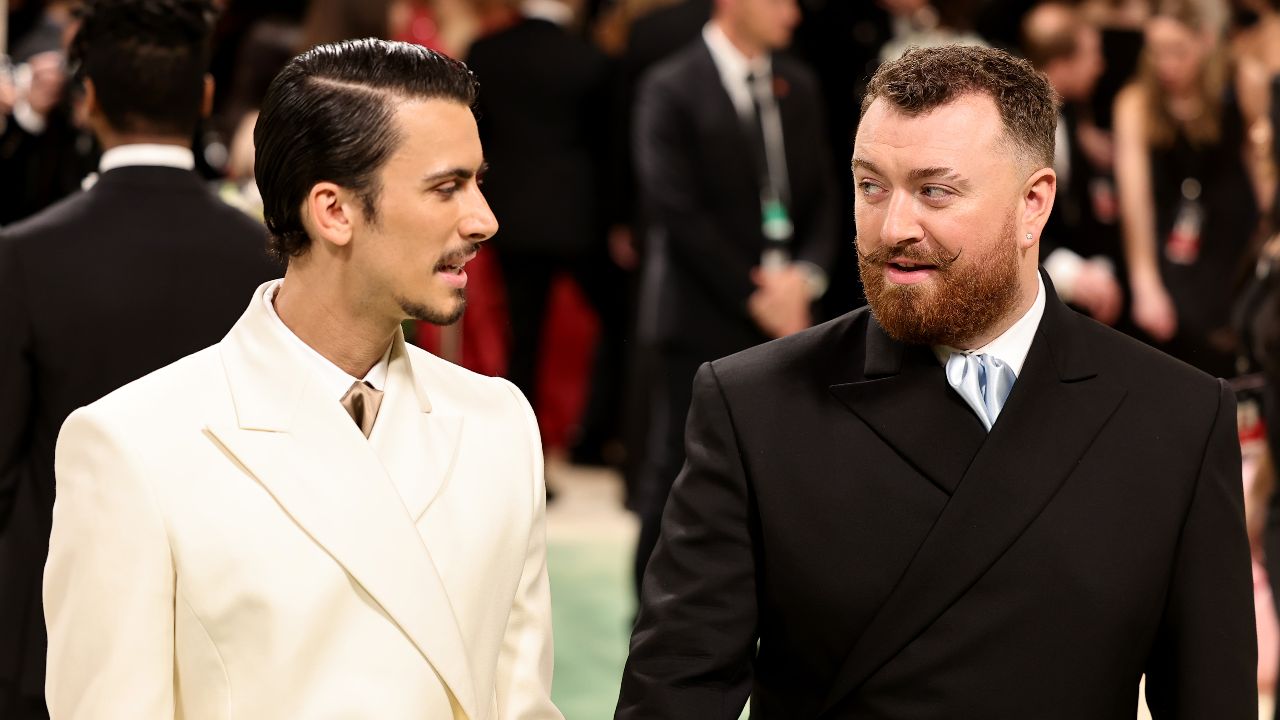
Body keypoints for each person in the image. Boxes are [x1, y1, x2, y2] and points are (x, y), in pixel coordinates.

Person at [616, 45, 1255, 718]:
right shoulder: (753, 407)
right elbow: (672, 697)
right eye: (871, 186)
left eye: (934, 190)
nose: (894, 227)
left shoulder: (1177, 418)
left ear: (1033, 204)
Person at [42, 37, 562, 719]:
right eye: (447, 188)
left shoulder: (500, 423)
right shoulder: (133, 447)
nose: (483, 219)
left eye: (479, 181)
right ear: (334, 211)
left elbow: (521, 703)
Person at [0, 1, 280, 716]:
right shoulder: (269, 258)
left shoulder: (23, 258)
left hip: (58, 641)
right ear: (207, 96)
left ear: (87, 99)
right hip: (239, 638)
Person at [630, 0, 839, 596]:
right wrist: (756, 295)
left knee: (782, 475)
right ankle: (654, 619)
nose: (794, 14)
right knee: (675, 474)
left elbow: (827, 194)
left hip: (789, 311)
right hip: (701, 312)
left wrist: (806, 278)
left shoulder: (797, 83)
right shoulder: (669, 85)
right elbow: (675, 211)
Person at [1114, 0, 1270, 378]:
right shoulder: (1135, 101)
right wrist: (1144, 281)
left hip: (1237, 240)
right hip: (1175, 247)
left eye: (1177, 51)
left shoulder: (1242, 80)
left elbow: (1264, 171)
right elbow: (1135, 202)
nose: (1165, 64)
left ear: (1205, 41)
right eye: (1156, 51)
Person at [1022, 1, 1125, 326]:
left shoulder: (1072, 112)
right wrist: (1072, 272)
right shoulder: (1018, 124)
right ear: (1062, 63)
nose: (1100, 66)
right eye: (1092, 55)